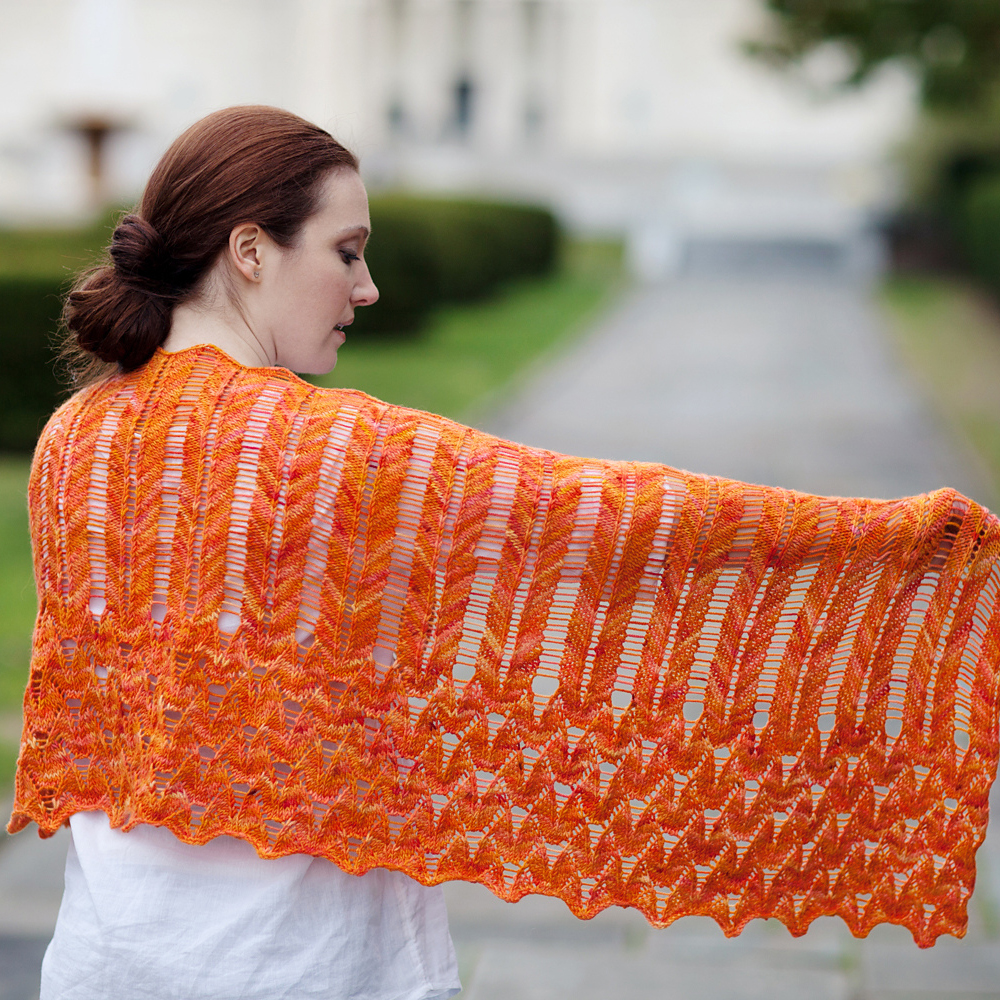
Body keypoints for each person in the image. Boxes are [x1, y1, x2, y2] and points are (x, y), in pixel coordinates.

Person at [9, 104, 1000, 1000]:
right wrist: (913, 544)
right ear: (250, 250)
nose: (367, 285)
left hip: (107, 959)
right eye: (345, 251)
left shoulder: (71, 444)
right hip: (299, 965)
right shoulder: (346, 457)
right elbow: (624, 523)